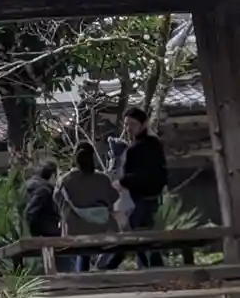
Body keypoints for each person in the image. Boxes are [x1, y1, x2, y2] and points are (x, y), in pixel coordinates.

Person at [57, 142, 121, 274]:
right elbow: (114, 197)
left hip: (75, 229)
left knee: (82, 253)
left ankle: (83, 276)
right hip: (103, 228)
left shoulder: (66, 180)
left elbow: (57, 200)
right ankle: (101, 269)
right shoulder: (103, 179)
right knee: (120, 245)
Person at [119, 106, 169, 269]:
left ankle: (153, 271)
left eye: (132, 124)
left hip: (145, 199)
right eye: (126, 124)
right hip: (138, 199)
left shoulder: (147, 146)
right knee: (144, 242)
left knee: (145, 241)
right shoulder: (137, 146)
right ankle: (150, 271)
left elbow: (152, 175)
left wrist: (124, 181)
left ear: (143, 124)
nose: (128, 128)